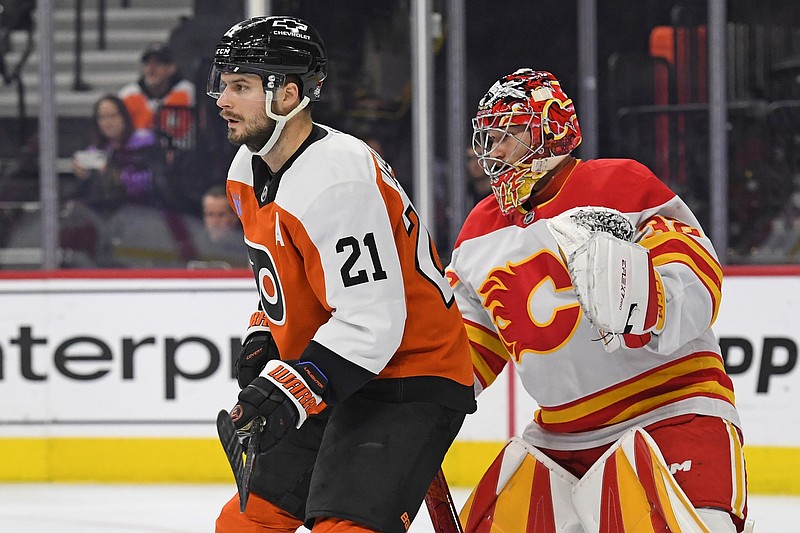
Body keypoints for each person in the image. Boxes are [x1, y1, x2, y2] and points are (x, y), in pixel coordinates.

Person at [446, 69, 751, 533]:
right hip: (559, 442)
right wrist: (409, 391)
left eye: (510, 134)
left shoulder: (620, 183)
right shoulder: (478, 234)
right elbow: (462, 352)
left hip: (672, 413)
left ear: (552, 129)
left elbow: (697, 279)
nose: (497, 151)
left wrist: (651, 299)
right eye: (490, 137)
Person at [207, 16, 476, 532]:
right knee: (246, 524)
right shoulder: (246, 171)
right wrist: (266, 334)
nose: (222, 99)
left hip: (408, 371)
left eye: (240, 86)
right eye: (223, 84)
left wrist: (291, 388)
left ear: (287, 95)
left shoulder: (336, 176)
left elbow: (374, 320)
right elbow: (286, 280)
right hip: (336, 365)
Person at [70, 94, 166, 214]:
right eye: (102, 117)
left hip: (145, 209)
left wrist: (119, 177)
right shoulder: (94, 152)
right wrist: (84, 175)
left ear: (124, 117)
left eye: (113, 116)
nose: (108, 122)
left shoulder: (145, 141)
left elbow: (155, 180)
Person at [118, 42, 195, 144]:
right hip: (137, 155)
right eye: (147, 63)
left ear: (171, 68)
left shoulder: (188, 92)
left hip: (181, 153)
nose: (151, 68)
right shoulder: (128, 95)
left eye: (158, 63)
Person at [189, 184, 247, 268]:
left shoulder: (245, 248)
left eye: (221, 215)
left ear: (234, 216)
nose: (215, 221)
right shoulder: (192, 246)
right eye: (210, 214)